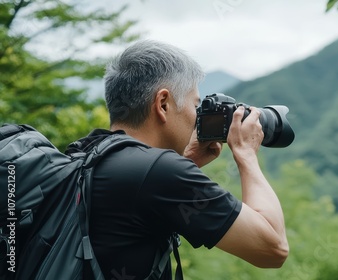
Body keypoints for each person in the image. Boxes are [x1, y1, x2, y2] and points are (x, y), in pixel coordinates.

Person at [79, 40, 289, 279]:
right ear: (163, 103)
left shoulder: (88, 155)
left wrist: (187, 160)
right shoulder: (160, 172)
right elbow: (273, 248)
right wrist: (246, 153)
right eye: (195, 105)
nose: (196, 118)